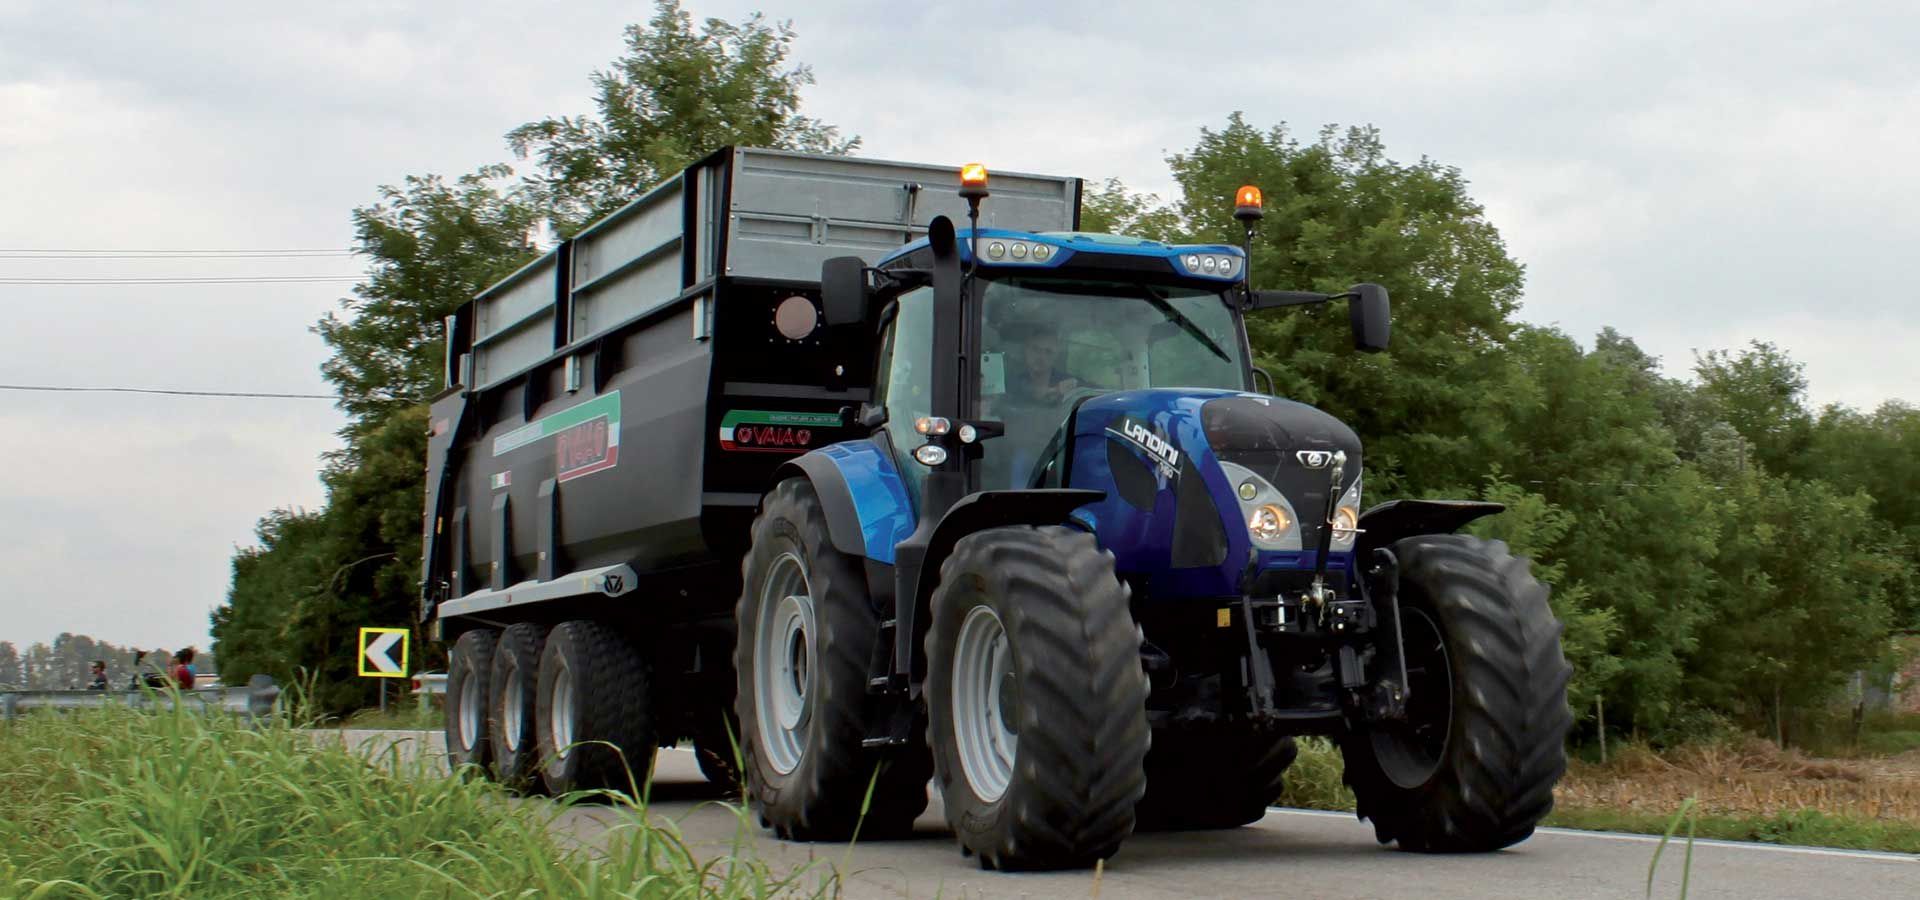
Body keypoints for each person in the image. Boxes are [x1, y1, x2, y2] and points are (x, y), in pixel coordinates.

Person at [1001, 321, 1079, 406]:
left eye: (1048, 352)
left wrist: (1076, 385)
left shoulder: (1065, 380)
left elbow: (1093, 390)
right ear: (1025, 349)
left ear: (1056, 356)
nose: (1041, 357)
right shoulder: (1009, 383)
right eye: (1036, 349)